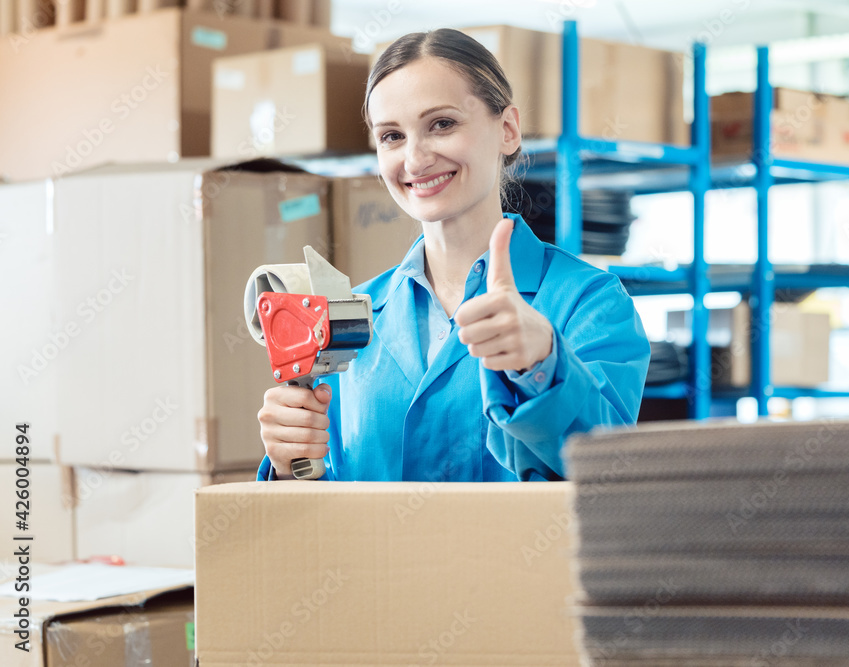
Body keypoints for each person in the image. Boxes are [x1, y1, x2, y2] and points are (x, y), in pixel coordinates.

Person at [256, 28, 649, 482]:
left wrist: (543, 365)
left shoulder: (589, 302)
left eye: (441, 124)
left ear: (507, 130)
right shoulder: (347, 318)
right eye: (391, 136)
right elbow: (326, 514)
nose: (415, 159)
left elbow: (605, 471)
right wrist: (291, 466)